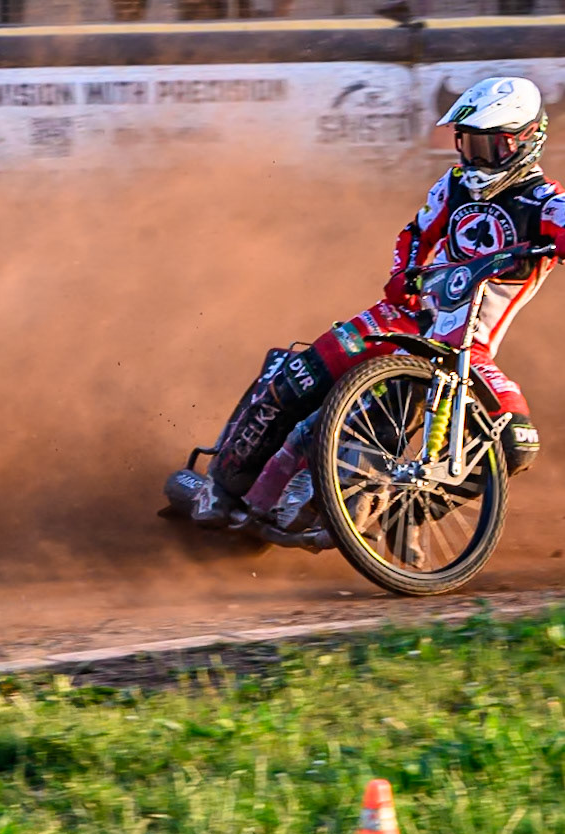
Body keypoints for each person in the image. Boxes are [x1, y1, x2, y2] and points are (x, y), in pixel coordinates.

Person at [191, 76, 563, 532]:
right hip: (402, 315)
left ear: (526, 141)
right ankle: (223, 485)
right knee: (297, 380)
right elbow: (414, 234)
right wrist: (403, 274)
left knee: (515, 444)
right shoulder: (454, 184)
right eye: (468, 145)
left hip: (464, 348)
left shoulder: (548, 203)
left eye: (490, 147)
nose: (475, 159)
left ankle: (401, 518)